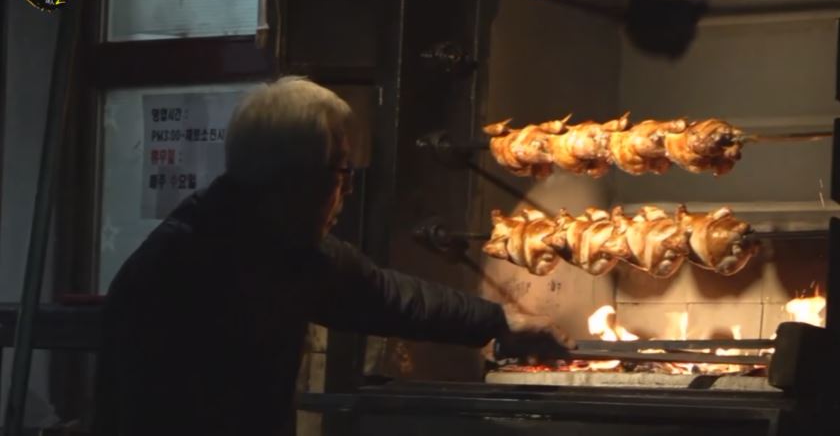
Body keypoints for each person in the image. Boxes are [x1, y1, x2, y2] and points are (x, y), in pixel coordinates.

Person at [92, 76, 572, 436]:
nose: (347, 191)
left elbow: (387, 295)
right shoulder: (179, 269)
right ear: (294, 178)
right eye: (341, 171)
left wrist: (498, 320)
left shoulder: (285, 247)